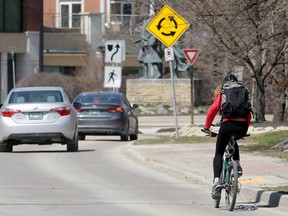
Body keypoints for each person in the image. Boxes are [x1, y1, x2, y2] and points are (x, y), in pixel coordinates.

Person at [203, 74, 252, 200]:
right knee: (234, 140)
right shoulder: (243, 91)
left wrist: (207, 127)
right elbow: (248, 112)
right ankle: (238, 166)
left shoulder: (223, 93)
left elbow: (212, 111)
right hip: (242, 126)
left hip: (227, 125)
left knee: (219, 153)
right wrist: (245, 127)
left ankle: (216, 182)